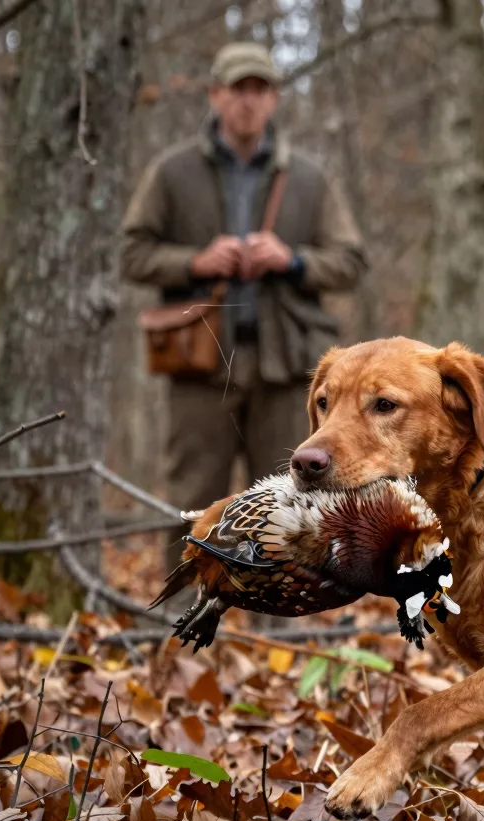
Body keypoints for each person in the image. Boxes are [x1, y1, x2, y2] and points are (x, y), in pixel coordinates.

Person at [121, 42, 367, 574]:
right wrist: (197, 261)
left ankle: (287, 616)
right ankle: (180, 615)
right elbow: (131, 253)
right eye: (237, 89)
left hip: (286, 364)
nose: (248, 102)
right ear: (215, 95)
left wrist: (292, 260)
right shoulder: (172, 172)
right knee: (191, 499)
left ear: (275, 98)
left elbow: (349, 261)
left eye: (259, 90)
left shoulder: (308, 177)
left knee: (293, 500)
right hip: (200, 361)